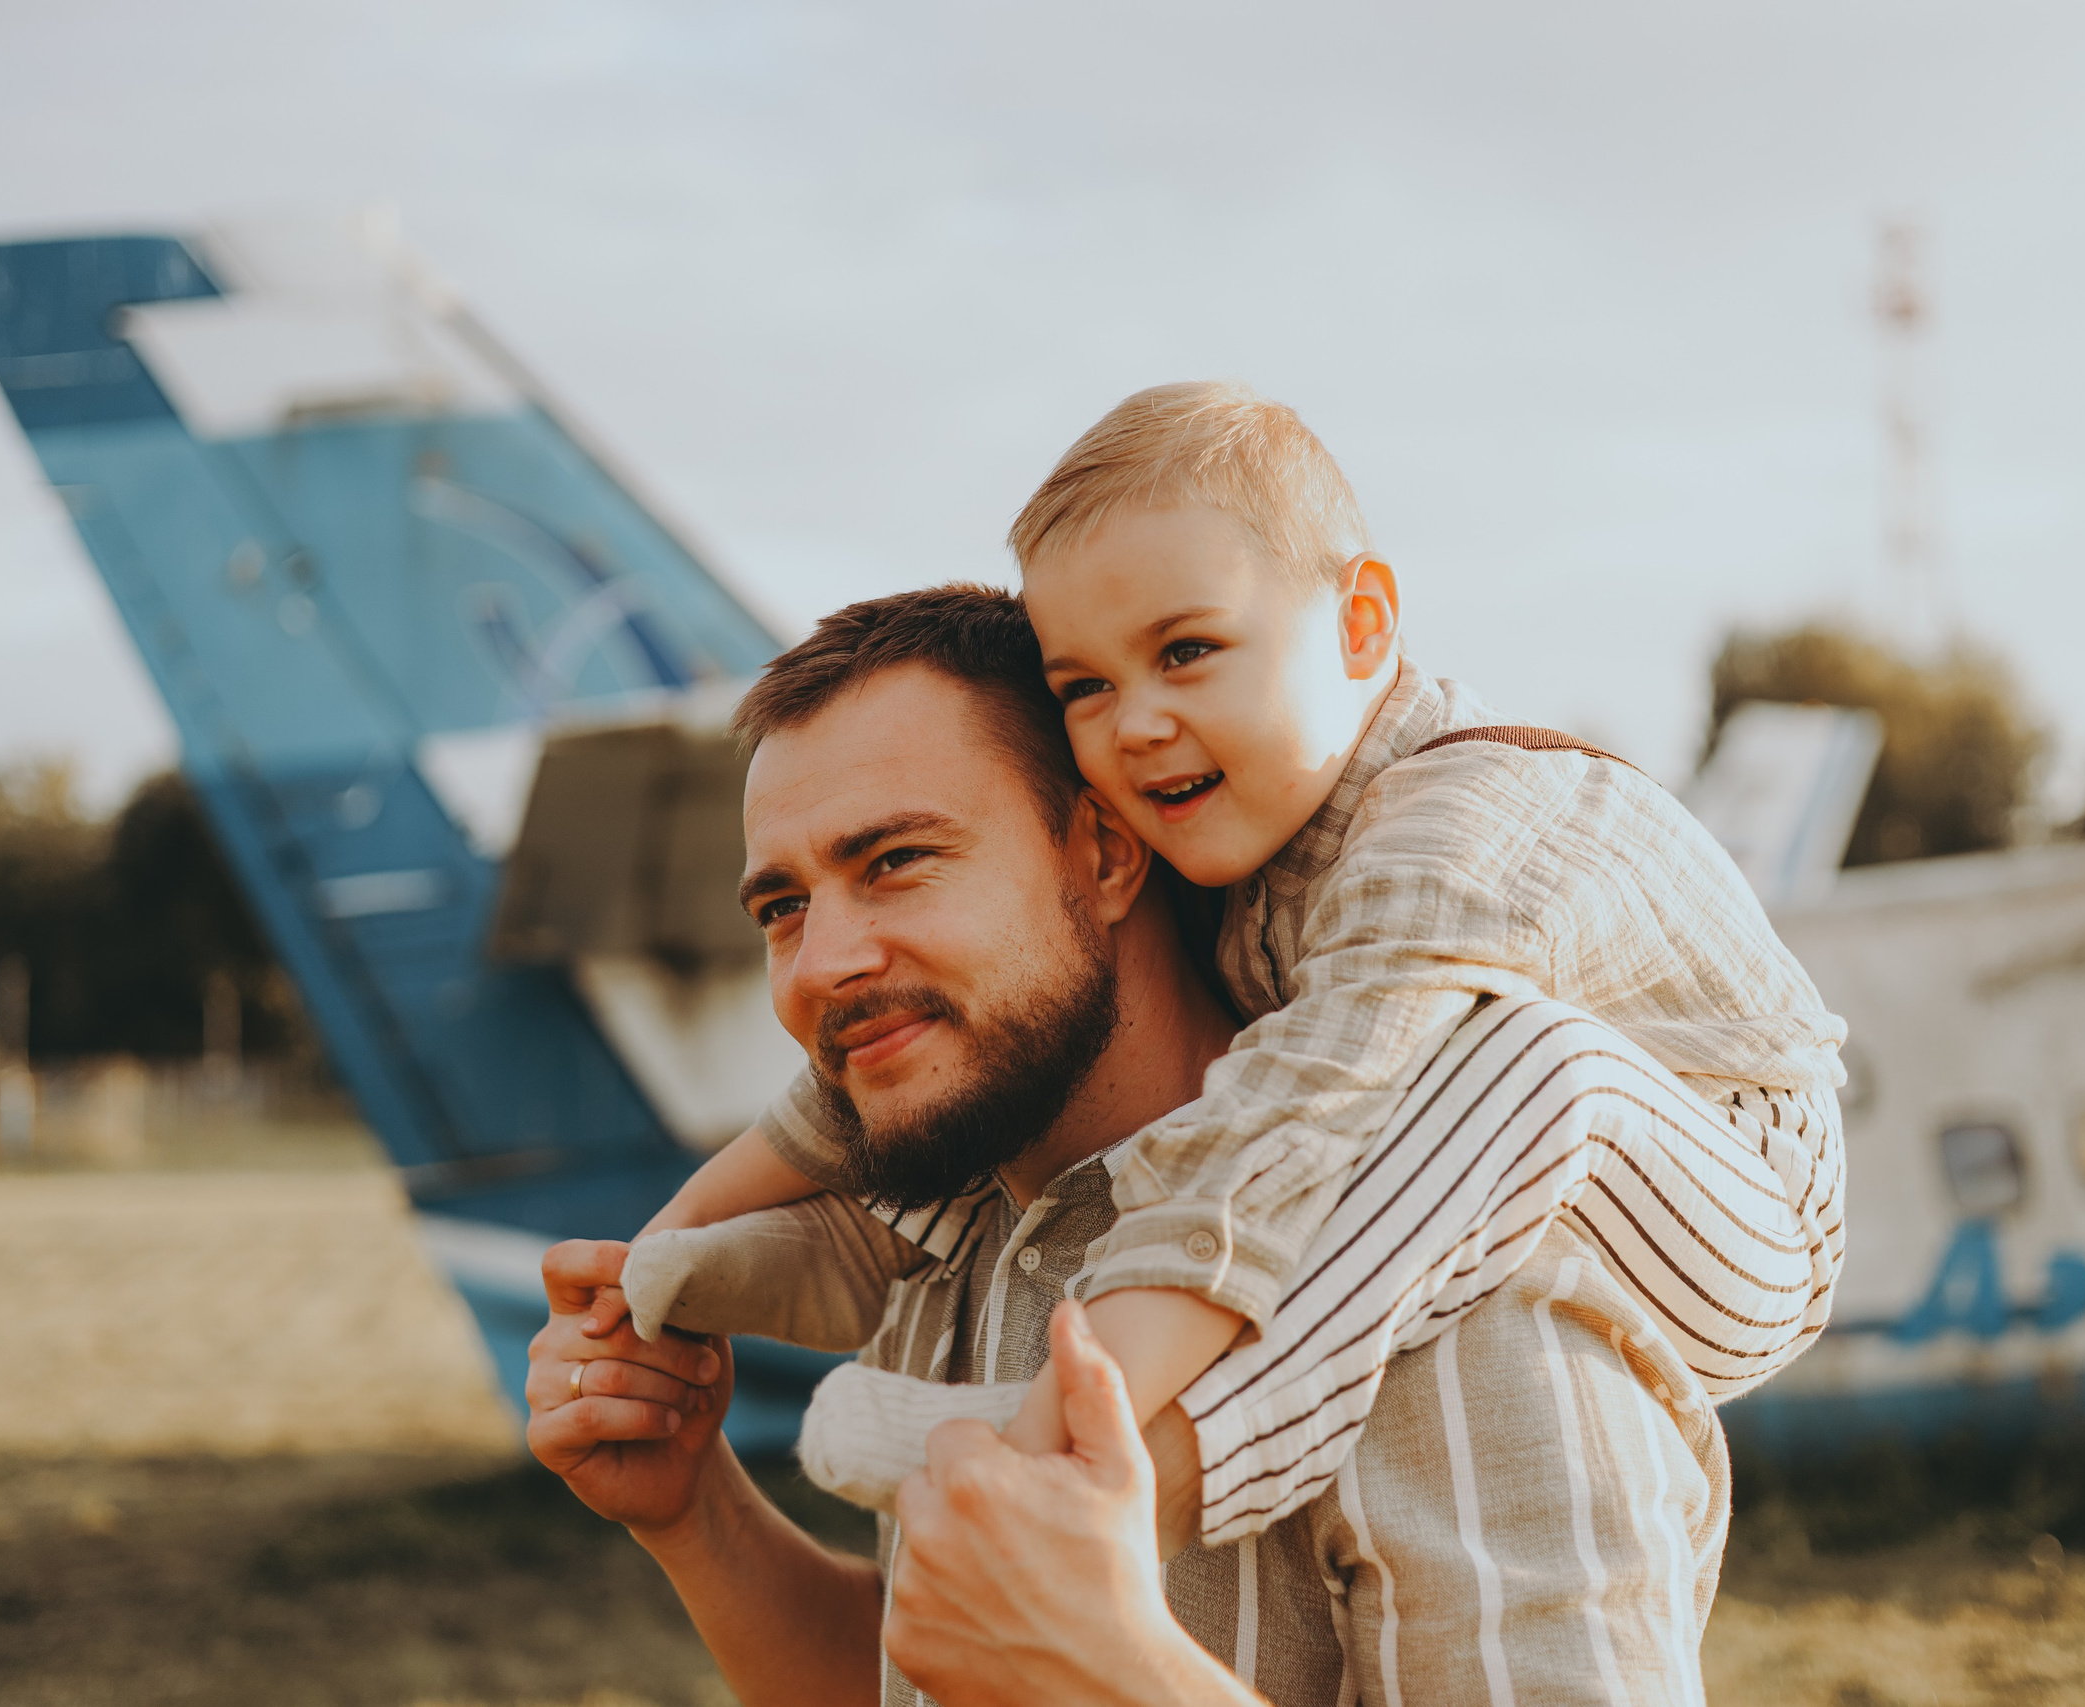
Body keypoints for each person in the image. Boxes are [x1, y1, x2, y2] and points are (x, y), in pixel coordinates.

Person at [610, 384, 1847, 1548]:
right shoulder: (1239, 825)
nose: (1135, 722)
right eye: (1084, 685)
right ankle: (857, 1265)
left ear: (1362, 625)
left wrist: (1073, 1402)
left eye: (1188, 650)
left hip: (1735, 1212)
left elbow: (1312, 1105)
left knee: (1514, 1063)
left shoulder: (1457, 824)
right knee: (985, 1033)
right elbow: (871, 1049)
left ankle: (1083, 1445)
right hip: (1508, 1172)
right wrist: (665, 1238)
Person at [528, 596, 1734, 1701]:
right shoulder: (956, 1235)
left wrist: (1117, 1673)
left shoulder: (1444, 1265)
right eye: (782, 907)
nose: (821, 965)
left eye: (894, 861)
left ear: (1104, 854)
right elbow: (939, 1670)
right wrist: (696, 1514)